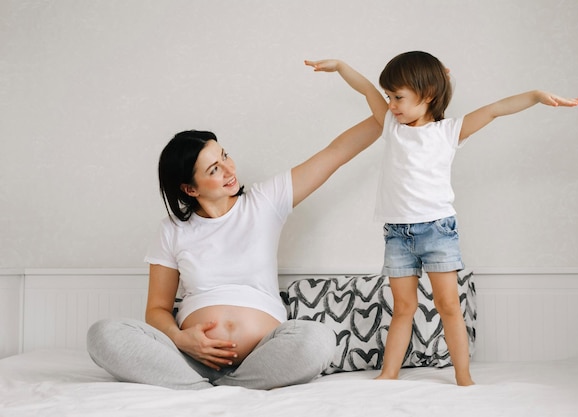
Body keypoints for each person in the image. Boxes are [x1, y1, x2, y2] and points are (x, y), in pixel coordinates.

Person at [305, 51, 578, 386]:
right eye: (389, 97)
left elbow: (494, 110)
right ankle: (388, 373)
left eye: (399, 97)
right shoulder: (392, 126)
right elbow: (366, 90)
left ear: (428, 95)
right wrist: (341, 67)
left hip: (437, 230)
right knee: (403, 307)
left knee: (448, 305)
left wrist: (536, 97)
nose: (391, 104)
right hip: (397, 233)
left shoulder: (449, 131)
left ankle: (464, 377)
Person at [86, 115, 382, 390]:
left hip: (265, 354)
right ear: (190, 189)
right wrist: (181, 339)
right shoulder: (172, 230)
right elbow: (157, 310)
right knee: (102, 334)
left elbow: (336, 152)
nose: (230, 170)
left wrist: (386, 115)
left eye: (224, 156)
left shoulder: (265, 202)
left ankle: (224, 388)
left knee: (318, 339)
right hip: (189, 359)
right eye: (214, 169)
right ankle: (201, 385)